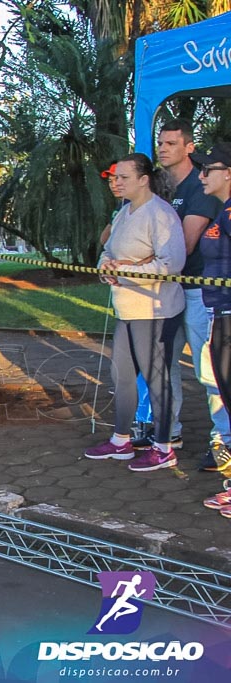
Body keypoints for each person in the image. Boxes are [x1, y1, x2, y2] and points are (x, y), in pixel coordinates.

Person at [84, 153, 186, 472]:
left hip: (155, 310)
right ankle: (121, 440)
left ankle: (164, 446)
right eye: (115, 177)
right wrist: (106, 268)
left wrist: (125, 270)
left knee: (157, 378)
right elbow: (108, 251)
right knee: (122, 375)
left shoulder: (161, 214)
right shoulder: (124, 212)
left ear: (144, 180)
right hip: (125, 309)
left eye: (124, 177)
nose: (117, 182)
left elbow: (171, 264)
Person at [154, 120, 228, 470]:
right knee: (164, 364)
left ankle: (222, 443)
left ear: (189, 147)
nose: (163, 148)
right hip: (173, 291)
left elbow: (183, 246)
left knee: (209, 370)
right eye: (161, 142)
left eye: (171, 142)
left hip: (201, 294)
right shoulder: (165, 187)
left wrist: (139, 264)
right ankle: (167, 433)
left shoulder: (201, 191)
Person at [194, 141, 231, 474]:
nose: (202, 175)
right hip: (218, 312)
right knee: (219, 386)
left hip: (229, 316)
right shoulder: (223, 209)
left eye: (209, 169)